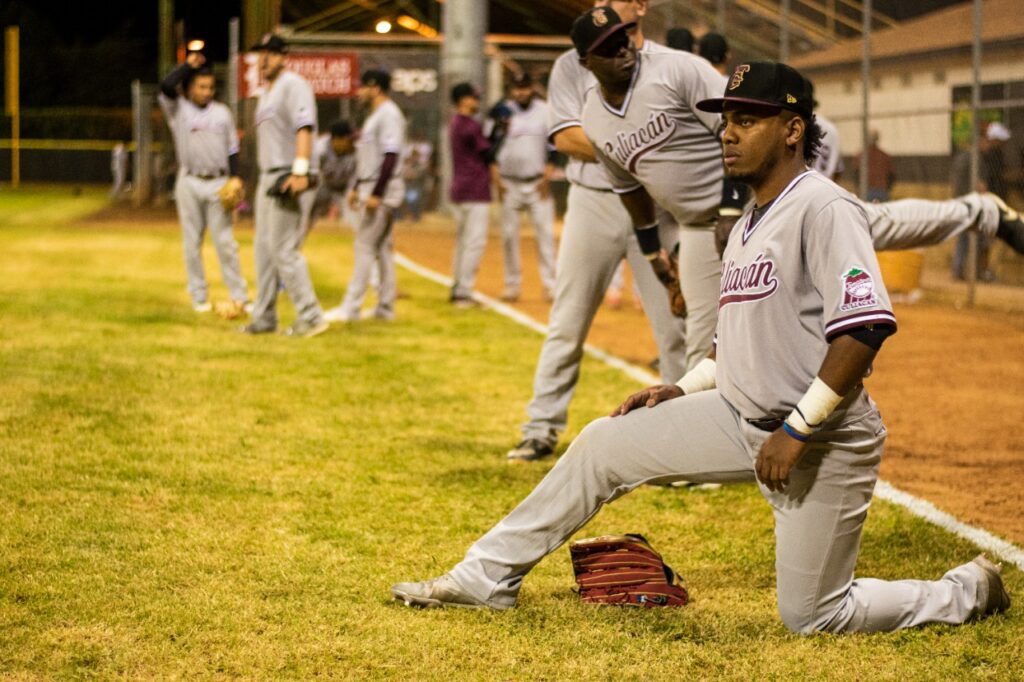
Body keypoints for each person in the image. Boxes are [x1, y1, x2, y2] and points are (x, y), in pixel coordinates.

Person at [391, 60, 1011, 635]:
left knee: (815, 616)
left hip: (821, 442)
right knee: (603, 444)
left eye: (748, 119)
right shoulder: (746, 223)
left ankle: (967, 592)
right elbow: (733, 342)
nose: (728, 132)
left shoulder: (824, 207)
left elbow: (864, 328)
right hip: (736, 417)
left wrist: (797, 430)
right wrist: (682, 388)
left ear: (793, 129)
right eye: (726, 120)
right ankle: (487, 574)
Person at [506, 0, 689, 463]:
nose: (603, 5)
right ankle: (540, 427)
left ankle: (687, 439)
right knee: (567, 323)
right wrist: (638, 144)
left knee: (676, 327)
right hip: (592, 203)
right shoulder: (572, 64)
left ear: (641, 7)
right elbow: (565, 136)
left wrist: (630, 145)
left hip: (655, 205)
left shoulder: (665, 65)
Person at [242, 34, 327, 338]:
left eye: (271, 53)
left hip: (288, 174)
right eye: (261, 53)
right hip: (268, 175)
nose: (264, 59)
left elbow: (304, 127)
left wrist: (301, 171)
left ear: (283, 56)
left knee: (284, 250)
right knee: (264, 250)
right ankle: (264, 317)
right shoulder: (266, 92)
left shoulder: (294, 85)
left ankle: (311, 315)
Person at [158, 52, 249, 314]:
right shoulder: (178, 110)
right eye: (201, 86)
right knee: (191, 242)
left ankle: (239, 296)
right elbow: (166, 86)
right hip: (189, 181)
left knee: (225, 242)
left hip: (218, 181)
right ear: (189, 88)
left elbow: (232, 148)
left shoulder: (222, 113)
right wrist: (188, 66)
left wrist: (235, 176)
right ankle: (199, 296)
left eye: (210, 87)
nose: (207, 91)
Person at [324, 70, 407, 323]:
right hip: (372, 186)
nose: (359, 92)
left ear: (375, 87)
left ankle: (351, 308)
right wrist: (358, 186)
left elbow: (390, 156)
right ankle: (385, 308)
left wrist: (377, 194)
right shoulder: (376, 116)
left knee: (364, 245)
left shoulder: (389, 114)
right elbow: (370, 156)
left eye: (362, 87)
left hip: (382, 190)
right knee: (381, 248)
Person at [493, 72, 558, 303]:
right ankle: (512, 285)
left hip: (537, 181)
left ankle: (550, 285)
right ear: (511, 90)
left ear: (532, 88)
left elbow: (555, 145)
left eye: (525, 87)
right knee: (509, 236)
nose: (521, 92)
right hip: (509, 182)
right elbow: (491, 145)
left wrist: (548, 175)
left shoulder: (545, 110)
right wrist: (496, 179)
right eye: (517, 88)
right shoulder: (502, 110)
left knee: (546, 236)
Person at [448, 82, 500, 308]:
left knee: (463, 241)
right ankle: (464, 292)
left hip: (461, 188)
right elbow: (488, 153)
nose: (476, 102)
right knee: (474, 242)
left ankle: (458, 287)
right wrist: (500, 133)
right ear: (462, 100)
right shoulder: (468, 125)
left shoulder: (456, 123)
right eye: (473, 97)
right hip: (475, 189)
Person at [309, 119, 357, 233]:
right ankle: (294, 245)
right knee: (307, 213)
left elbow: (358, 175)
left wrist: (354, 190)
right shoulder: (320, 148)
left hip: (346, 188)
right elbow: (312, 171)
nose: (350, 141)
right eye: (347, 138)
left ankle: (364, 247)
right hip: (325, 185)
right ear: (335, 139)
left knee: (357, 218)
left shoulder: (357, 149)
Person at [857, 130, 895, 202]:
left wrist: (859, 187)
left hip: (866, 190)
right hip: (882, 190)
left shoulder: (861, 156)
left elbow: (856, 173)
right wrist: (888, 188)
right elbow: (891, 175)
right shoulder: (885, 156)